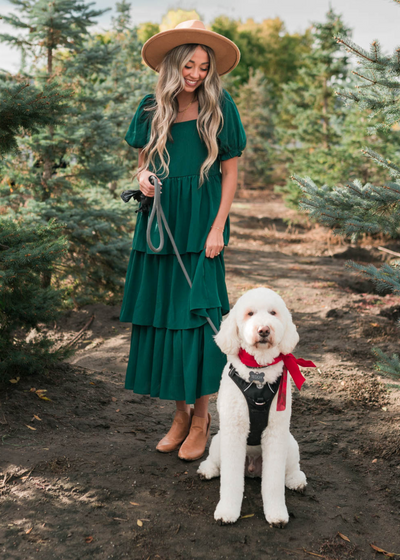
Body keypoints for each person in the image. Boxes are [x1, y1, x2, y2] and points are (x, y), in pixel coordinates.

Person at [120, 20, 246, 461]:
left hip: (200, 225)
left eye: (203, 66)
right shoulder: (150, 107)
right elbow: (143, 159)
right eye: (189, 65)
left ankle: (202, 417)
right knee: (166, 320)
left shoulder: (219, 106)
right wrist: (143, 178)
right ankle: (178, 414)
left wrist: (217, 228)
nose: (195, 73)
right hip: (159, 223)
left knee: (198, 321)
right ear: (174, 64)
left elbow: (230, 173)